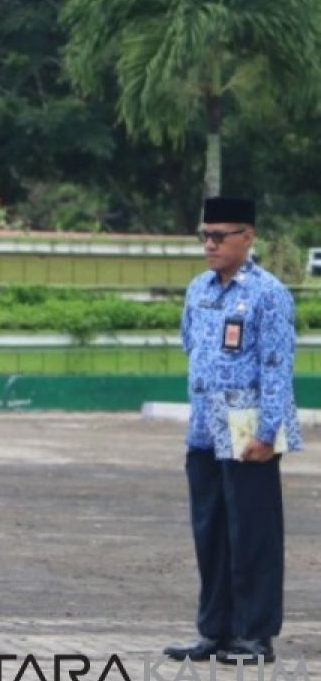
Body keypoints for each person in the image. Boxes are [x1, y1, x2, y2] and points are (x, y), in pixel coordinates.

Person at [164, 196, 302, 664]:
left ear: (248, 237)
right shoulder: (199, 289)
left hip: (247, 428)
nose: (210, 245)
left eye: (221, 236)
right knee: (211, 532)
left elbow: (277, 366)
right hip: (204, 428)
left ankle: (253, 636)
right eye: (205, 235)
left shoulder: (267, 293)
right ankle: (215, 631)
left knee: (253, 534)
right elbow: (190, 343)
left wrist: (268, 432)